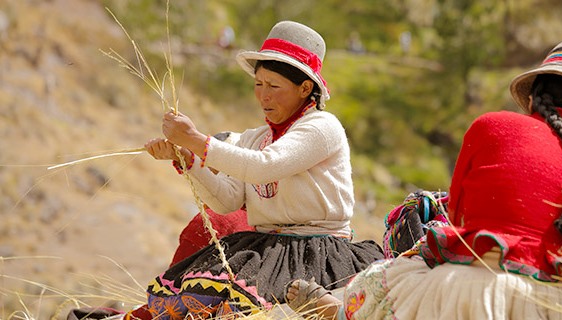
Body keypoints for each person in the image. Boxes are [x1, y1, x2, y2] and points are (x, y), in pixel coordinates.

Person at [286, 38, 562, 319]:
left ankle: (338, 310)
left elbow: (459, 218)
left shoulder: (493, 126)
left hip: (475, 293)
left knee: (382, 279)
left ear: (535, 95)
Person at [139, 20, 384, 319]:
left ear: (305, 88)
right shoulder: (255, 138)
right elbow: (226, 200)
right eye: (258, 84)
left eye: (274, 86)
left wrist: (196, 142)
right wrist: (188, 161)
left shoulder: (322, 127)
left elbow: (264, 168)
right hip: (265, 247)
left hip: (316, 251)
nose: (263, 95)